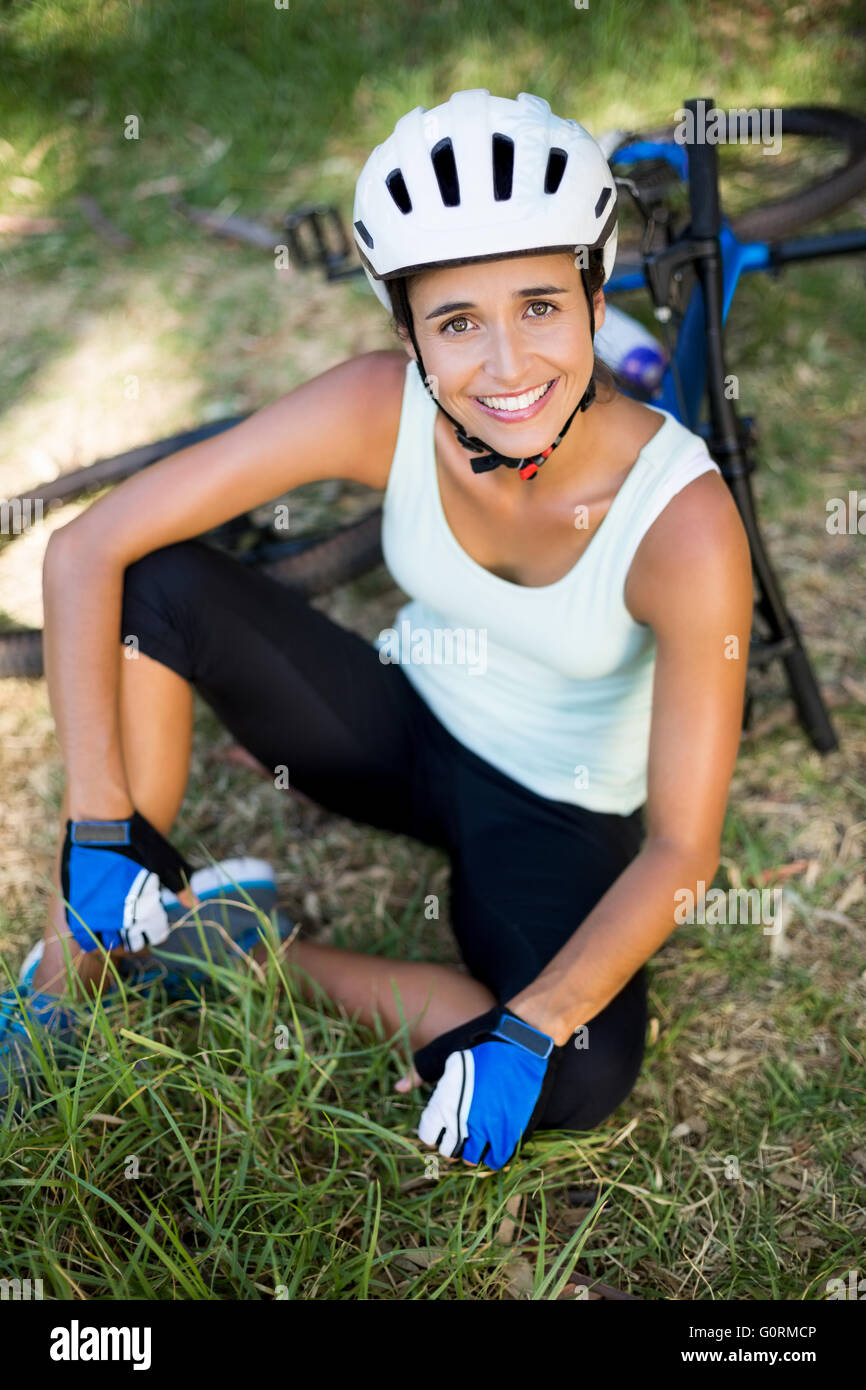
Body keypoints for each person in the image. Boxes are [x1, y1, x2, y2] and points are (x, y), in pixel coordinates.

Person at [2, 90, 752, 1170]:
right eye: (455, 322)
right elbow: (87, 551)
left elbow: (684, 851)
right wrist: (96, 824)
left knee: (578, 1072)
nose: (504, 365)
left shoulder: (680, 519)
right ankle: (85, 955)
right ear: (406, 331)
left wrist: (532, 1023)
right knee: (157, 580)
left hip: (551, 806)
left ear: (594, 297)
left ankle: (222, 943)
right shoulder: (376, 403)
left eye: (538, 305)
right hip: (392, 724)